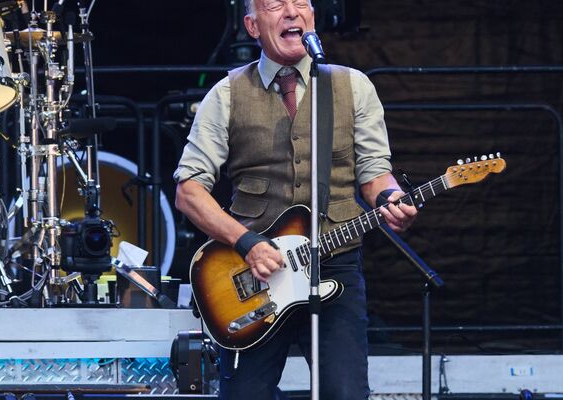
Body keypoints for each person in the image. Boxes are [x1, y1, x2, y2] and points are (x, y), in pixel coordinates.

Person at [173, 0, 417, 398]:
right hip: (256, 273)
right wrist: (245, 242)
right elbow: (189, 191)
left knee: (345, 392)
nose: (291, 12)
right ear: (253, 26)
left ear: (313, 18)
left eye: (300, 3)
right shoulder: (227, 94)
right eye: (275, 5)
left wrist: (391, 197)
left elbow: (374, 172)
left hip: (335, 266)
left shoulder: (352, 86)